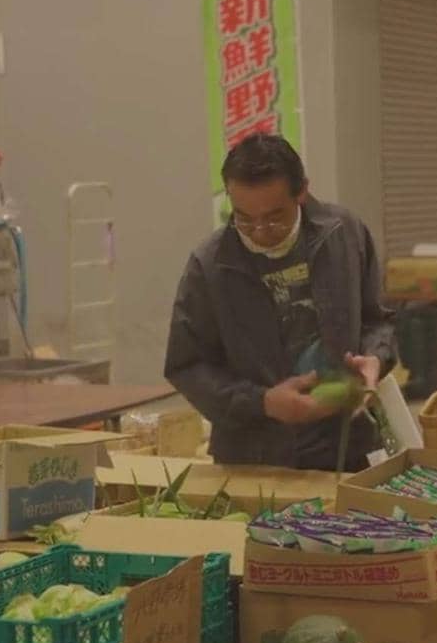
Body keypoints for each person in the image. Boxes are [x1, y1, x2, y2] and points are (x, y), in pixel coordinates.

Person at [164, 133, 395, 471]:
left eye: (274, 217)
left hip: (348, 446)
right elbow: (186, 366)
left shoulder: (344, 234)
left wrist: (375, 357)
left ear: (301, 192)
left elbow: (378, 321)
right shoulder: (210, 266)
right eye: (243, 217)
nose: (258, 231)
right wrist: (263, 403)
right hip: (255, 458)